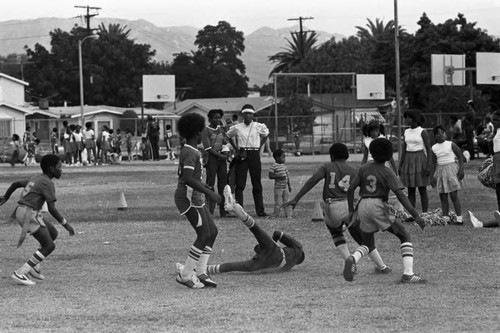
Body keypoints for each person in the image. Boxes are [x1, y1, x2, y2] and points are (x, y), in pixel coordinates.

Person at [283, 143, 390, 272]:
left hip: (330, 207)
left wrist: (296, 199)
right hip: (346, 205)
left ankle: (349, 263)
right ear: (347, 155)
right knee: (364, 239)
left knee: (336, 233)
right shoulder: (353, 170)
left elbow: (312, 181)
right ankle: (381, 266)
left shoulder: (327, 167)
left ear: (332, 155)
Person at [344, 138, 426, 284]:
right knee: (404, 235)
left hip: (362, 205)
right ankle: (408, 274)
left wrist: (351, 211)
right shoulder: (387, 171)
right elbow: (400, 194)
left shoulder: (364, 168)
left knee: (368, 242)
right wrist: (416, 215)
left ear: (371, 153)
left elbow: (351, 189)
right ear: (389, 155)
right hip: (378, 204)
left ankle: (353, 258)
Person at [181, 185, 304, 274]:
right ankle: (194, 269)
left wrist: (271, 244)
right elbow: (273, 270)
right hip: (267, 263)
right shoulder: (288, 267)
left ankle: (238, 210)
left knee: (255, 229)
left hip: (275, 252)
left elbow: (278, 233)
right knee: (232, 267)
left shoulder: (298, 248)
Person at [0, 154, 75, 286]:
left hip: (22, 211)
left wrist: (6, 197)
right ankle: (21, 272)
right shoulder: (47, 183)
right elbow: (52, 209)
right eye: (59, 167)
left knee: (52, 234)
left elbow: (16, 184)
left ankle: (34, 266)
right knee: (49, 246)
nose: (61, 170)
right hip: (28, 213)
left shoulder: (37, 178)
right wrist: (65, 224)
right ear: (51, 169)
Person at [174, 113, 221, 289]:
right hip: (187, 198)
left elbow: (193, 177)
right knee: (203, 235)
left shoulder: (193, 150)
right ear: (197, 132)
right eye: (203, 130)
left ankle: (200, 271)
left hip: (196, 198)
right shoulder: (190, 152)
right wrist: (211, 193)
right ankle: (185, 274)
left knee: (212, 232)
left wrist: (205, 190)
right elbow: (187, 179)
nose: (204, 134)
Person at [226, 104, 270, 217]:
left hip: (254, 153)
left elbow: (266, 134)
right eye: (246, 113)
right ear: (242, 114)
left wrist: (259, 145)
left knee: (257, 182)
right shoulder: (238, 127)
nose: (248, 116)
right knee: (240, 183)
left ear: (253, 115)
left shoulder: (258, 126)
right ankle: (239, 208)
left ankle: (260, 210)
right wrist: (236, 149)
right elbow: (228, 136)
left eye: (250, 113)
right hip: (242, 153)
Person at [429, 125, 465, 225]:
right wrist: (432, 176)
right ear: (435, 137)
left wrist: (461, 169)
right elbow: (433, 163)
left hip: (451, 170)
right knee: (443, 196)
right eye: (438, 133)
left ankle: (459, 218)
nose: (441, 135)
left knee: (453, 195)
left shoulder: (450, 144)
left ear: (445, 133)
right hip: (440, 171)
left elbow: (460, 156)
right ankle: (445, 218)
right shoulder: (434, 148)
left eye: (442, 132)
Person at [398, 109, 431, 212]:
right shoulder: (406, 131)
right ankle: (412, 213)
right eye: (405, 118)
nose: (406, 120)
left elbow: (428, 149)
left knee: (422, 188)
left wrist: (428, 166)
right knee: (411, 188)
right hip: (409, 159)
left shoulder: (422, 132)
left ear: (414, 118)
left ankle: (425, 213)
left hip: (420, 159)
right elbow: (404, 148)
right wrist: (401, 164)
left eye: (408, 117)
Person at [202, 109, 230, 217]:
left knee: (223, 185)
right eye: (215, 118)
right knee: (210, 184)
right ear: (209, 119)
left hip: (221, 159)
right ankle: (210, 210)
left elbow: (226, 141)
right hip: (212, 159)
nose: (218, 119)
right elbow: (208, 148)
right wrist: (221, 156)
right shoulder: (205, 130)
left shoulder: (221, 129)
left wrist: (227, 152)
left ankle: (224, 210)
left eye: (219, 117)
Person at [269, 149, 292, 218]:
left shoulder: (284, 167)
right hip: (278, 188)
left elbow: (287, 177)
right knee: (278, 202)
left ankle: (288, 214)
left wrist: (289, 186)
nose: (284, 159)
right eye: (283, 157)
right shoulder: (274, 166)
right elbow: (270, 176)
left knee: (287, 201)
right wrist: (278, 176)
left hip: (285, 187)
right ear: (277, 158)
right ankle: (276, 214)